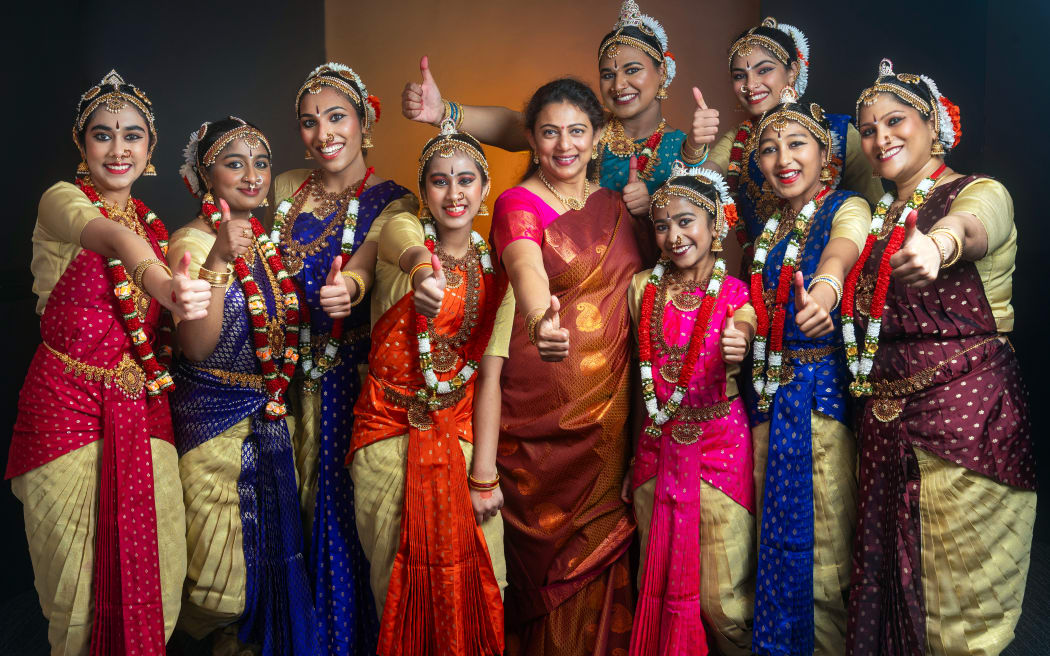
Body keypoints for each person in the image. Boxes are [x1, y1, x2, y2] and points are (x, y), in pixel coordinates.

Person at [7, 70, 212, 654]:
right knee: (74, 597)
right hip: (64, 409)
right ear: (81, 143)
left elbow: (174, 303)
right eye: (102, 135)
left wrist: (194, 284)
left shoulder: (153, 223)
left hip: (143, 409)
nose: (117, 149)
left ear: (149, 150)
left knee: (161, 578)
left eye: (132, 136)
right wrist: (159, 279)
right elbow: (105, 237)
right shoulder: (62, 202)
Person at [844, 59, 1036, 656]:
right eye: (869, 129)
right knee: (881, 586)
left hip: (965, 418)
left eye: (896, 121)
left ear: (934, 124)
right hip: (882, 420)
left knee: (960, 598)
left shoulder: (978, 191)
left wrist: (941, 245)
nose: (881, 139)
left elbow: (976, 225)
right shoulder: (875, 216)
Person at [488, 77, 652, 656]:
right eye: (550, 132)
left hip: (613, 422)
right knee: (547, 574)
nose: (564, 145)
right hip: (541, 425)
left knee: (610, 557)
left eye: (577, 131)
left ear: (598, 136)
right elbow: (525, 264)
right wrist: (539, 320)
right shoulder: (517, 204)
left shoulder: (616, 205)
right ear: (531, 139)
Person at [271, 62, 419, 655]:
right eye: (309, 123)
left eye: (336, 118)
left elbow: (377, 256)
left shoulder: (394, 198)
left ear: (365, 122)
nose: (323, 133)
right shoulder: (284, 188)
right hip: (281, 379)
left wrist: (349, 290)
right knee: (289, 507)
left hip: (347, 382)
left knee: (341, 511)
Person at [349, 124, 511, 655]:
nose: (454, 193)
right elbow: (401, 240)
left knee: (485, 579)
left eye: (466, 180)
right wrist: (421, 272)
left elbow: (491, 377)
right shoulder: (400, 236)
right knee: (392, 583)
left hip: (461, 436)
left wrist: (484, 473)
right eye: (440, 181)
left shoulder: (499, 271)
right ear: (424, 191)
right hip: (386, 435)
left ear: (485, 190)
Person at [167, 117, 321, 655]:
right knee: (222, 590)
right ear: (206, 177)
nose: (252, 175)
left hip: (270, 421)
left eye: (261, 163)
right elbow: (196, 347)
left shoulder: (264, 243)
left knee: (270, 578)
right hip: (216, 426)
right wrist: (217, 260)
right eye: (235, 164)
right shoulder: (191, 239)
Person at [745, 88, 872, 656]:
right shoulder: (769, 229)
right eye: (769, 149)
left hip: (821, 400)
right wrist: (740, 325)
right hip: (769, 396)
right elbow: (753, 300)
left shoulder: (847, 205)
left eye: (797, 144)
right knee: (774, 544)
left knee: (828, 553)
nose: (782, 158)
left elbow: (842, 250)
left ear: (826, 154)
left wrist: (826, 286)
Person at [400, 0, 720, 215]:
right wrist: (444, 112)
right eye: (608, 74)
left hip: (651, 294)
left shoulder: (684, 146)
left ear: (661, 72)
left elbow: (701, 225)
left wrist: (653, 206)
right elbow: (513, 126)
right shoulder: (587, 131)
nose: (619, 84)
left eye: (632, 70)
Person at [623, 163, 756, 655]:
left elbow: (743, 323)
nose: (674, 236)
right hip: (656, 449)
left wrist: (738, 340)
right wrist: (631, 459)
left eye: (686, 221)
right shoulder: (642, 289)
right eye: (662, 225)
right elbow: (639, 386)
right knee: (653, 583)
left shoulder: (737, 293)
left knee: (723, 602)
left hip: (721, 449)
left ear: (715, 224)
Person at [704, 17, 883, 260]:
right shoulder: (738, 140)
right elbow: (703, 183)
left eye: (764, 70)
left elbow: (876, 219)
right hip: (761, 279)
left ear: (792, 72)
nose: (751, 84)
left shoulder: (838, 133)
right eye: (739, 76)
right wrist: (695, 145)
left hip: (834, 277)